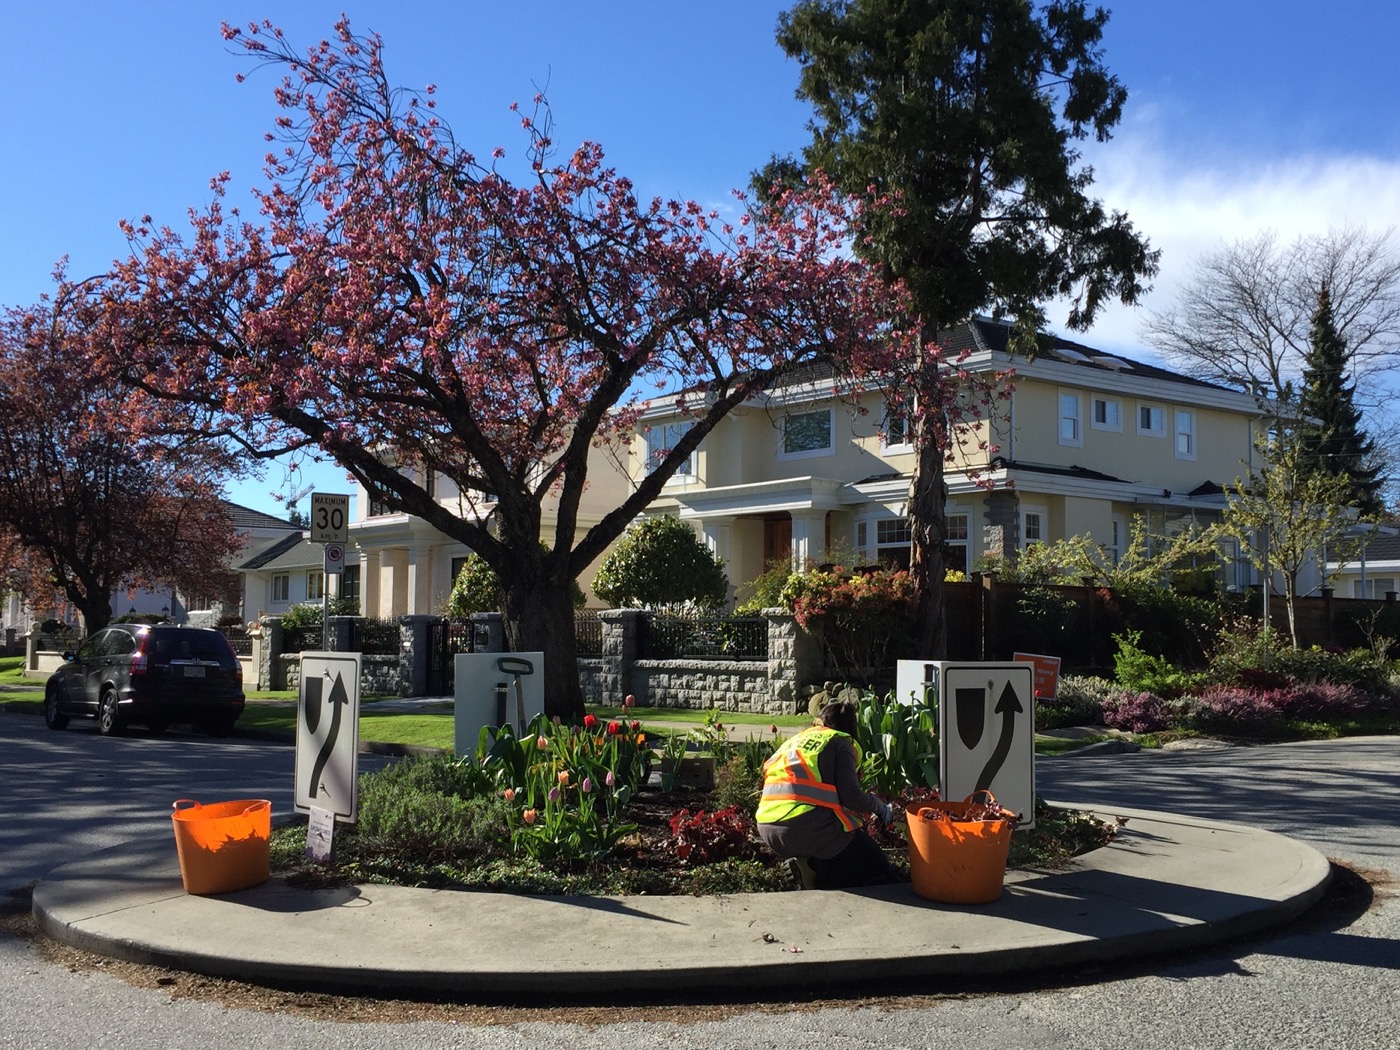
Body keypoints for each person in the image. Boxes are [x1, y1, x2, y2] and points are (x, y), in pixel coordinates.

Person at [755, 700, 900, 889]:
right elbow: (851, 797)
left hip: (767, 827)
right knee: (876, 864)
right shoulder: (840, 741)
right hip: (803, 828)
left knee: (840, 846)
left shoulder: (797, 740)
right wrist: (879, 807)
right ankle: (814, 875)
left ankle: (806, 864)